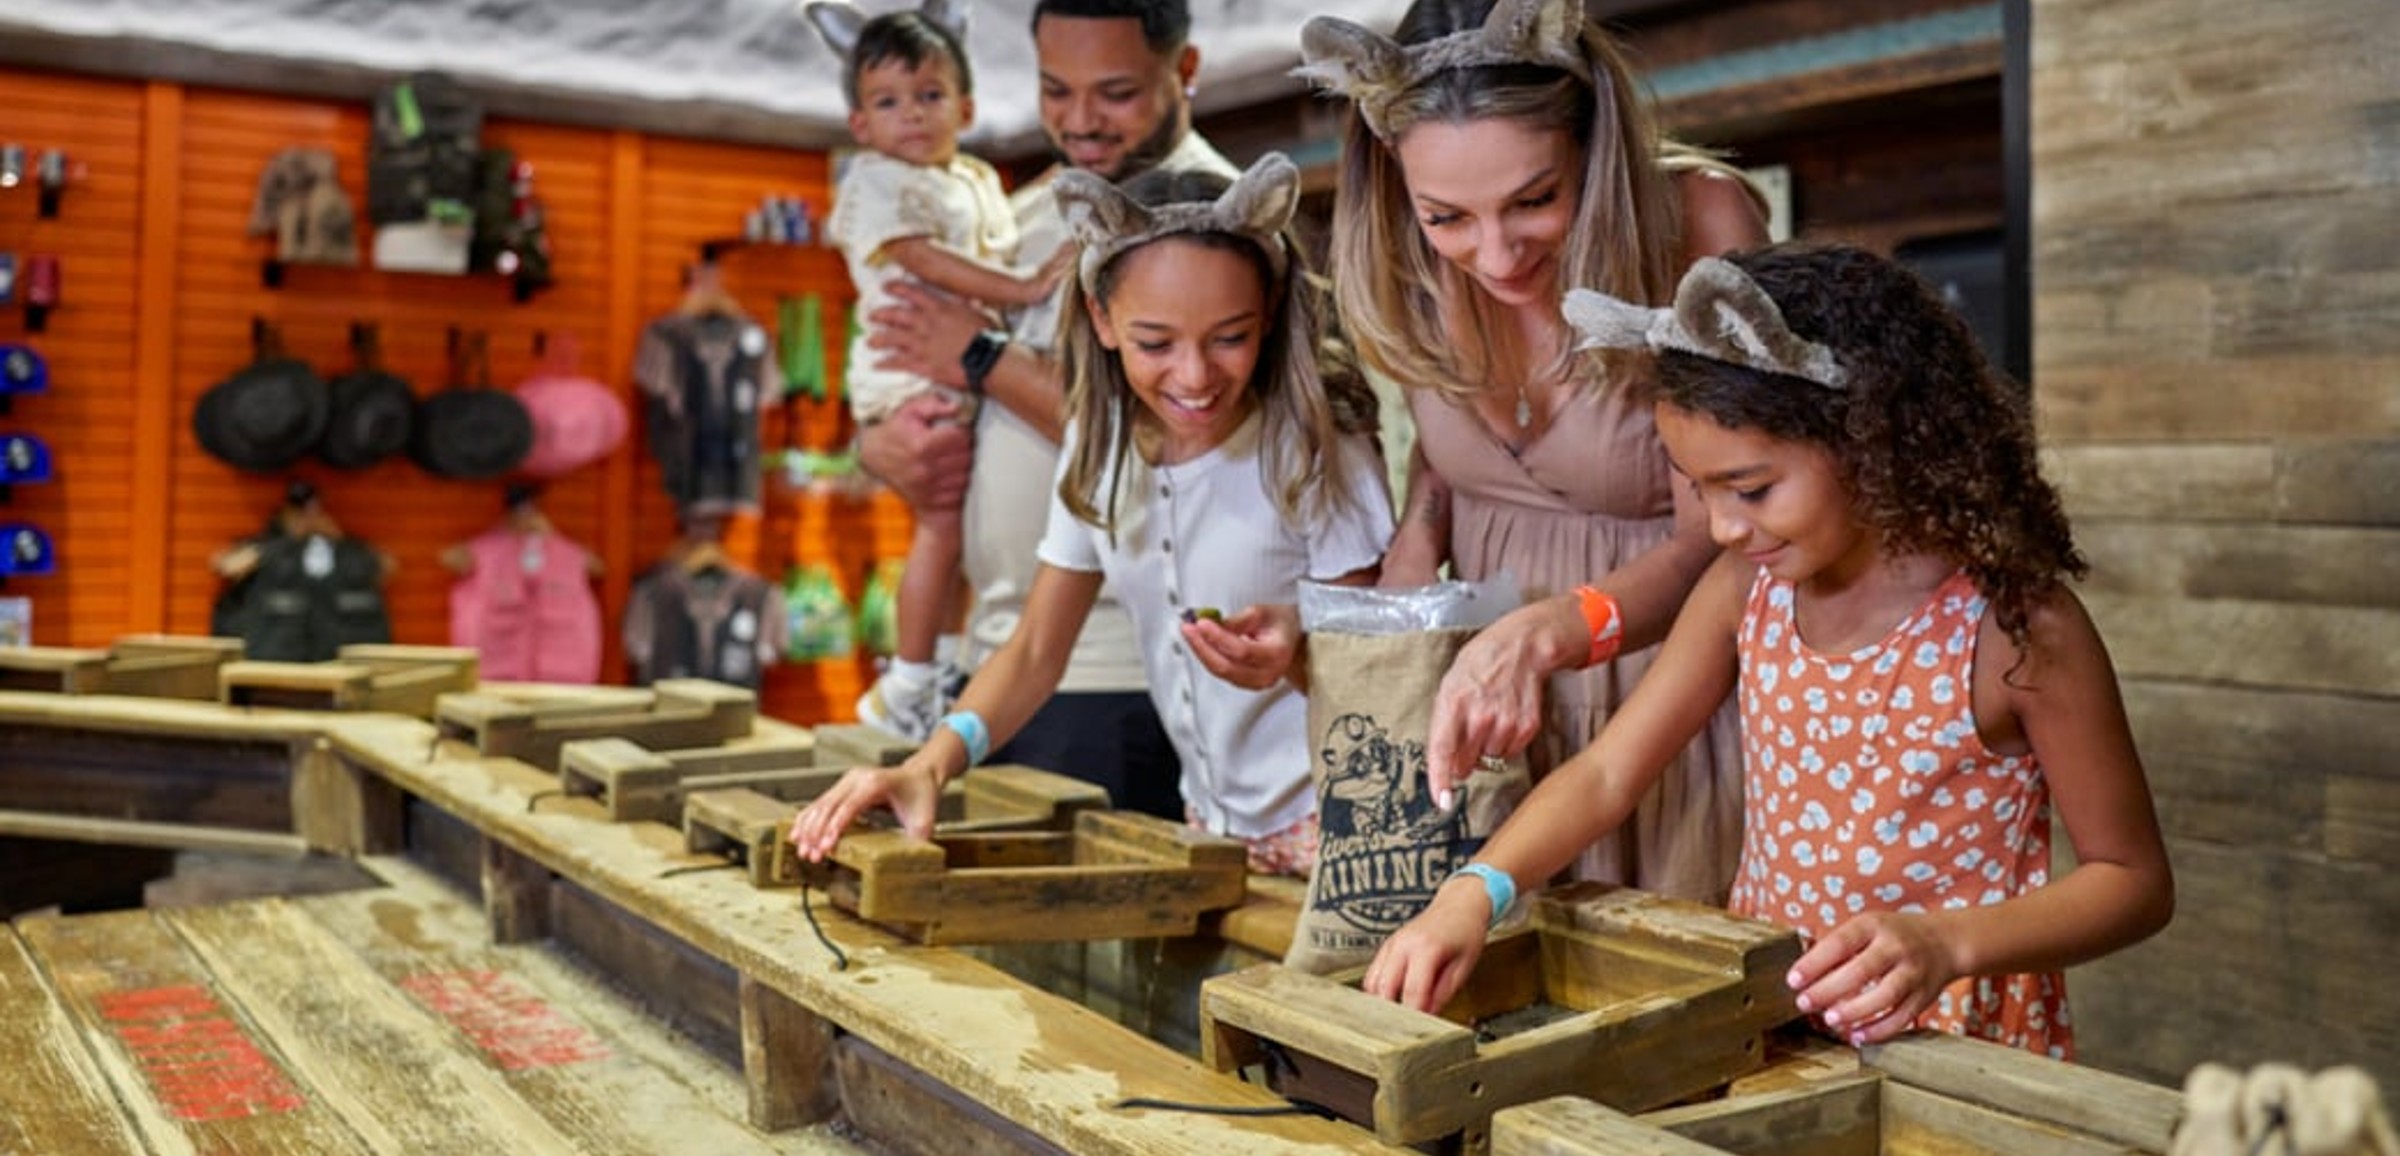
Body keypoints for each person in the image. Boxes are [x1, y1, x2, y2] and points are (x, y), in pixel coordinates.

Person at [1365, 243, 2175, 1060]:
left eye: (1751, 489)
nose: (1722, 526)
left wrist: (1946, 944)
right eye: (1696, 485)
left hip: (1954, 1050)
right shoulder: (1744, 591)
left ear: (1870, 439)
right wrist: (1476, 892)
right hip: (1775, 1035)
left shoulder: (2018, 628)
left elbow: (2132, 881)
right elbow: (1609, 774)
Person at [1288, 0, 1772, 900]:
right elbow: (1449, 456)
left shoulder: (1699, 222)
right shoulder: (1406, 257)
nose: (1496, 254)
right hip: (1487, 695)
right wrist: (1401, 581)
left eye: (1535, 201)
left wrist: (1555, 632)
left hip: (1665, 691)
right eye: (1448, 218)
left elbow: (1727, 531)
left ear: (1594, 146)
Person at [791, 154, 1394, 875]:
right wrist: (930, 764)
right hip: (1212, 822)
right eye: (1155, 343)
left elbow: (1376, 674)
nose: (1195, 376)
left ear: (1268, 312)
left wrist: (1297, 654)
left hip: (1351, 820)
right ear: (1104, 320)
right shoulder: (1098, 442)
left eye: (1230, 337)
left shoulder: (1319, 443)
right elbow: (1039, 648)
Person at [852, 0, 1237, 819]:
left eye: (1117, 93)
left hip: (1118, 675)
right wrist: (878, 445)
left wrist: (983, 357)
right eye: (1055, 91)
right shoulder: (1018, 218)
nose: (1080, 121)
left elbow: (1185, 435)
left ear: (1186, 72)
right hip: (997, 670)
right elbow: (907, 352)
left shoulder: (1227, 225)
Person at [802, 0, 1070, 740]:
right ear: (861, 125)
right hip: (912, 373)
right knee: (940, 524)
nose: (913, 116)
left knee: (957, 528)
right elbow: (922, 258)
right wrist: (1020, 291)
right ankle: (910, 680)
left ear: (967, 106)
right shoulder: (875, 181)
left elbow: (996, 238)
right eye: (889, 103)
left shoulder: (978, 179)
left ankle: (938, 662)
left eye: (929, 97)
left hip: (956, 372)